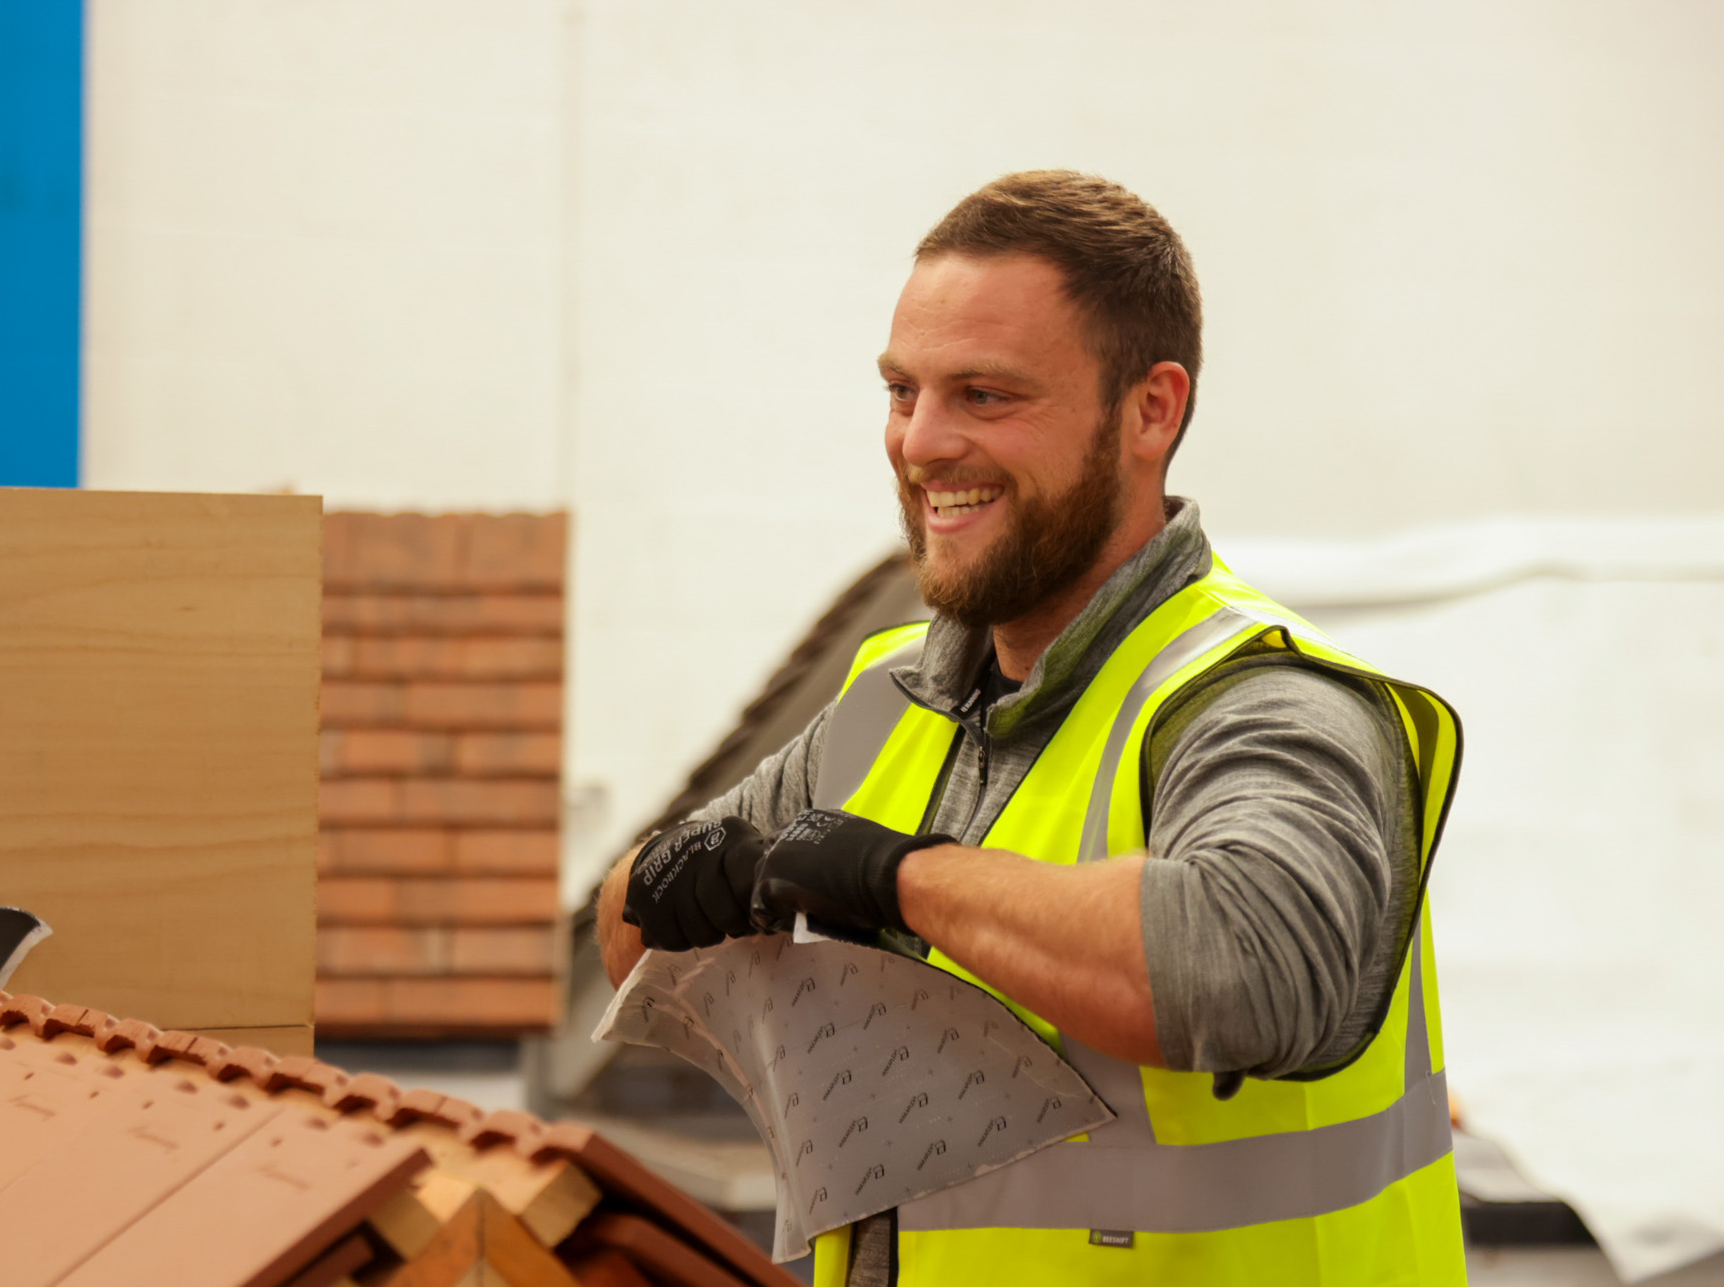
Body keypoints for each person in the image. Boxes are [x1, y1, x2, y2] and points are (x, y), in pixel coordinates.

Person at [596, 170, 1465, 1287]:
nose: (920, 444)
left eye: (985, 396)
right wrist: (667, 881)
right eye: (900, 391)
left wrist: (891, 876)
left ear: (1150, 409)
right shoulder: (885, 703)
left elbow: (1241, 964)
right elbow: (627, 939)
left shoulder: (1266, 701)